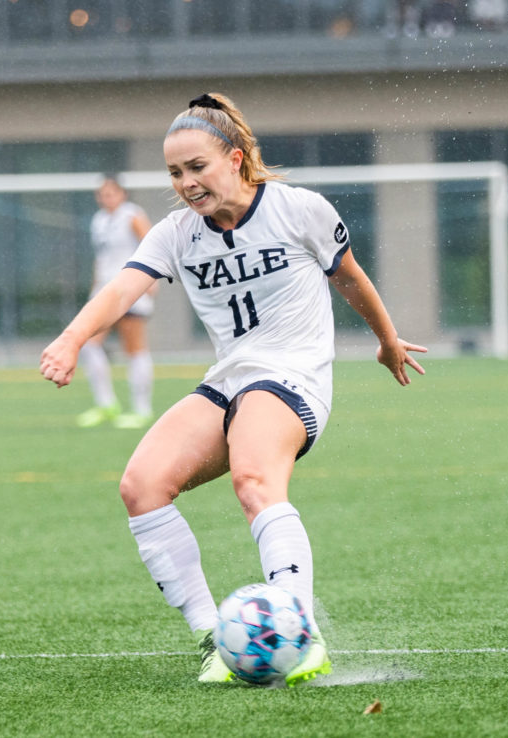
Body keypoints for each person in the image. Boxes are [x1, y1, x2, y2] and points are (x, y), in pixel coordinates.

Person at [40, 92, 427, 684]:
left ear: (237, 159)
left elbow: (350, 278)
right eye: (175, 173)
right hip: (230, 381)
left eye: (198, 167)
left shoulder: (298, 210)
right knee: (141, 486)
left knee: (254, 480)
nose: (186, 183)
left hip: (292, 376)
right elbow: (122, 290)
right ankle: (211, 639)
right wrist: (71, 340)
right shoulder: (176, 234)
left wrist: (388, 339)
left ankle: (301, 634)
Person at [76, 176, 156, 429]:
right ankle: (106, 404)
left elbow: (153, 246)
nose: (106, 197)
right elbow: (100, 258)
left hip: (131, 288)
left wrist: (152, 281)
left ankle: (142, 409)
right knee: (88, 344)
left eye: (111, 192)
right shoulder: (98, 221)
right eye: (102, 193)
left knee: (134, 348)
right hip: (104, 290)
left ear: (122, 194)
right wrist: (95, 284)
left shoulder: (132, 215)